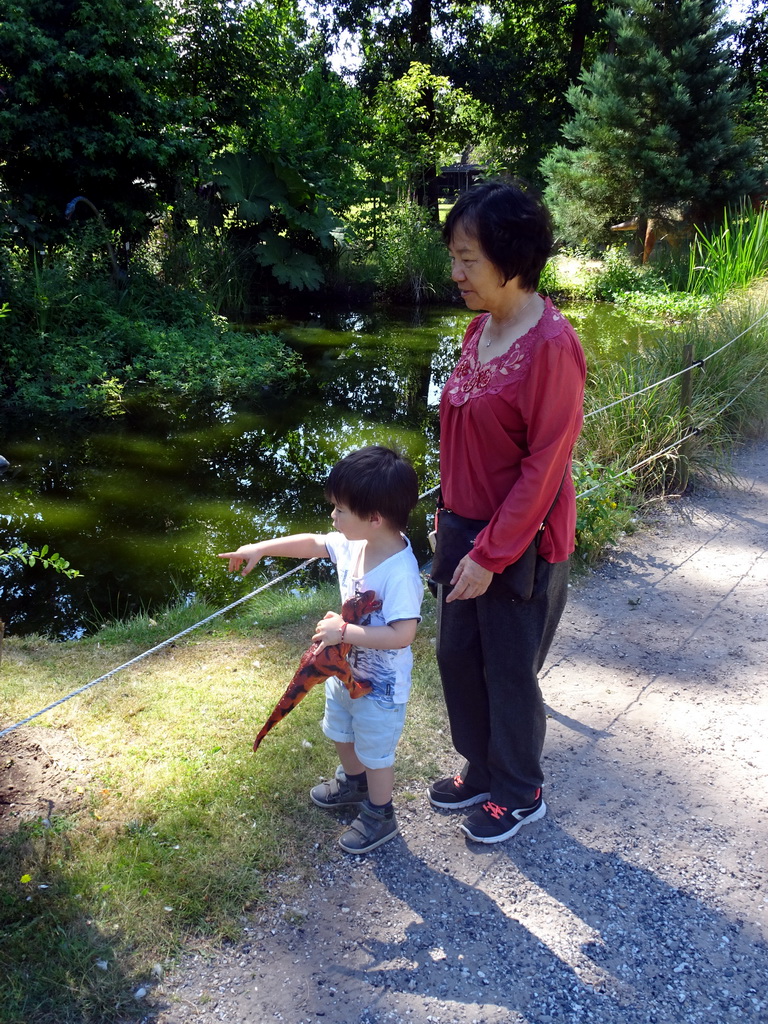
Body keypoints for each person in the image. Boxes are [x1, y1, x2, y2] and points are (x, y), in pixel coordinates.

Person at [428, 180, 587, 844]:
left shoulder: (551, 345)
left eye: (468, 257)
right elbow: (462, 434)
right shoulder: (478, 328)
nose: (456, 271)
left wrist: (492, 554)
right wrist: (446, 513)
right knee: (456, 656)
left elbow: (544, 467)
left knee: (508, 668)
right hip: (463, 527)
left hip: (518, 542)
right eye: (454, 256)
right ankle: (483, 767)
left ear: (513, 258)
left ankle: (521, 789)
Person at [219, 445, 424, 854]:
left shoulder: (401, 573)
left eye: (340, 510)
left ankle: (380, 813)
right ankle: (353, 784)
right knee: (340, 731)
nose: (333, 517)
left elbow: (402, 635)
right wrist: (261, 548)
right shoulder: (355, 542)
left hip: (380, 687)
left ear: (374, 518)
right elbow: (313, 543)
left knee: (376, 750)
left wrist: (344, 631)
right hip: (342, 670)